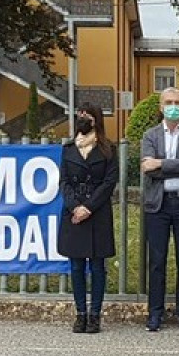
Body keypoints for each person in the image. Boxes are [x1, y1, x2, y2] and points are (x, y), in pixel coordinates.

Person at [140, 87, 179, 332]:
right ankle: (155, 313)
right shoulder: (150, 135)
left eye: (177, 102)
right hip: (158, 203)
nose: (173, 106)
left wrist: (161, 163)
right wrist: (174, 166)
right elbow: (148, 168)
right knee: (157, 260)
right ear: (161, 106)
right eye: (168, 102)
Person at [58, 104, 116, 335]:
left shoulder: (107, 149)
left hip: (97, 212)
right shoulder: (68, 148)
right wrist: (75, 207)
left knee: (98, 266)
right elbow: (64, 182)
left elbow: (109, 182)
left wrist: (88, 208)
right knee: (76, 266)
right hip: (74, 212)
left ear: (96, 120)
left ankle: (95, 315)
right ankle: (80, 313)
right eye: (79, 115)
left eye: (86, 115)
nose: (81, 119)